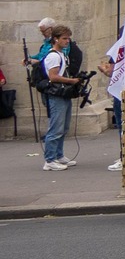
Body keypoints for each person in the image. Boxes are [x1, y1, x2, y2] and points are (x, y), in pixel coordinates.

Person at [36, 22, 86, 170]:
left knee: (64, 126)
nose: (67, 41)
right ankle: (50, 160)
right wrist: (72, 80)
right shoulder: (53, 56)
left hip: (63, 94)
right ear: (56, 39)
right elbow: (53, 77)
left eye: (68, 38)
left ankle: (58, 155)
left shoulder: (61, 55)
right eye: (64, 38)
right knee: (56, 127)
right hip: (56, 94)